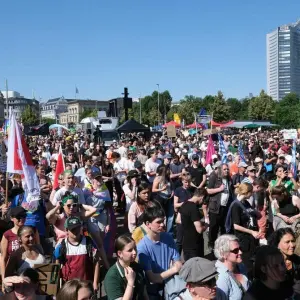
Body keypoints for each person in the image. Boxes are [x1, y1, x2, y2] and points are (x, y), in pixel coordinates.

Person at [137, 206, 182, 298]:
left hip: (171, 287)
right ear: (148, 224)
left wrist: (164, 274)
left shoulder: (168, 238)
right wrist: (173, 269)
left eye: (163, 221)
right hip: (153, 292)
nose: (162, 224)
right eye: (158, 222)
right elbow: (152, 278)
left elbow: (178, 263)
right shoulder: (142, 247)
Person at [54, 216, 100, 289]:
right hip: (69, 287)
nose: (76, 231)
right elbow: (56, 267)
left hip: (86, 285)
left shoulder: (89, 242)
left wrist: (95, 282)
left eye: (77, 228)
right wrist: (54, 287)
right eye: (73, 229)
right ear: (66, 230)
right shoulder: (61, 246)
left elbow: (96, 262)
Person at [226, 183, 262, 272]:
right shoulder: (235, 205)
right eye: (251, 193)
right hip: (243, 239)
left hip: (252, 238)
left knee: (254, 259)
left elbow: (252, 213)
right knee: (247, 263)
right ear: (247, 192)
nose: (252, 194)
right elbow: (236, 226)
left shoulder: (245, 202)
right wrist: (251, 232)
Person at [104, 235, 148, 300]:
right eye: (130, 250)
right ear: (119, 253)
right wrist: (130, 281)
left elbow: (144, 292)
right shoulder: (112, 277)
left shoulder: (137, 266)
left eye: (135, 248)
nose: (134, 252)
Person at [214, 234, 249, 300]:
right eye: (236, 251)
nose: (240, 252)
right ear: (223, 254)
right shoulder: (221, 277)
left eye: (240, 248)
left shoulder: (241, 266)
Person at [207, 163, 233, 249]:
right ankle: (211, 243)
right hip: (215, 207)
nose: (226, 171)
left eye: (227, 169)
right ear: (220, 169)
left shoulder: (229, 179)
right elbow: (208, 191)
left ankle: (222, 244)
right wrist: (219, 189)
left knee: (224, 226)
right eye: (225, 169)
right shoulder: (214, 177)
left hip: (225, 207)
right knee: (214, 227)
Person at [268, 228, 300, 298]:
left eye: (293, 241)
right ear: (277, 244)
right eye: (287, 242)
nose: (292, 245)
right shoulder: (271, 264)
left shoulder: (297, 260)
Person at [1, 207, 27, 283]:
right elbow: (3, 258)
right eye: (19, 216)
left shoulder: (32, 231)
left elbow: (38, 251)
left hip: (28, 272)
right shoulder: (7, 235)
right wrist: (4, 279)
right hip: (12, 273)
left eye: (24, 215)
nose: (22, 218)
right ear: (12, 218)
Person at [180, 188, 207, 260]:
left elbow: (178, 220)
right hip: (194, 244)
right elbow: (199, 230)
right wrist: (206, 226)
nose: (202, 202)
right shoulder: (193, 208)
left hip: (186, 242)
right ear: (202, 197)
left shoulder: (184, 204)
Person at [174, 174, 193, 254]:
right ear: (182, 181)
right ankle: (177, 257)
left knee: (188, 239)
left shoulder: (192, 190)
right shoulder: (178, 190)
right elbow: (175, 204)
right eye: (185, 182)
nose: (187, 184)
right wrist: (185, 203)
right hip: (181, 217)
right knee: (179, 240)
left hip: (190, 217)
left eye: (188, 182)